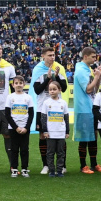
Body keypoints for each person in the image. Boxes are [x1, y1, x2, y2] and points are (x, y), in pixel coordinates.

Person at [29, 47, 65, 175]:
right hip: (42, 108)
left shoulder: (59, 69)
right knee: (43, 135)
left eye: (53, 55)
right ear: (43, 56)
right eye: (49, 55)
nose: (52, 57)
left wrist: (56, 77)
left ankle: (62, 165)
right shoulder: (38, 70)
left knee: (60, 134)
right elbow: (37, 90)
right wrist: (47, 78)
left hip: (57, 108)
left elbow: (64, 88)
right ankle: (46, 165)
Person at [73, 46, 101, 174]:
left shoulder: (88, 69)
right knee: (84, 138)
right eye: (92, 56)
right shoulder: (80, 70)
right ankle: (83, 165)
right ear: (85, 57)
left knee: (93, 136)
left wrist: (98, 76)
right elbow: (88, 89)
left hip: (91, 107)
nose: (95, 58)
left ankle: (94, 163)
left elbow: (95, 89)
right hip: (83, 108)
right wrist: (96, 77)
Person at [37, 79, 69, 178]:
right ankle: (51, 171)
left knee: (60, 153)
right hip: (50, 133)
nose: (52, 91)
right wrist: (45, 131)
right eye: (50, 89)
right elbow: (43, 118)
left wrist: (67, 131)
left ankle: (59, 170)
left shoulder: (63, 103)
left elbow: (66, 118)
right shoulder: (46, 103)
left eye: (54, 89)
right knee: (50, 153)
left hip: (60, 133)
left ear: (59, 90)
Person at [5, 75, 34, 178]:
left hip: (25, 128)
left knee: (25, 149)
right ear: (13, 85)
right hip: (13, 128)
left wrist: (26, 127)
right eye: (16, 83)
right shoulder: (10, 97)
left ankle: (25, 169)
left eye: (20, 83)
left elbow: (31, 114)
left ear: (24, 84)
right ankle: (14, 168)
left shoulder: (28, 97)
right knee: (14, 149)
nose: (18, 85)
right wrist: (16, 127)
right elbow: (7, 114)